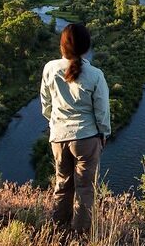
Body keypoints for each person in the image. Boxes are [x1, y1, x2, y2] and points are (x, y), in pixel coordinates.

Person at [40, 23, 111, 233]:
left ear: (62, 46)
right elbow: (102, 111)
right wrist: (103, 134)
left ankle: (58, 231)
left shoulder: (50, 68)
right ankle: (79, 235)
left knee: (62, 186)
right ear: (86, 47)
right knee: (85, 189)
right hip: (87, 138)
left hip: (59, 137)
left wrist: (55, 124)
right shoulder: (95, 74)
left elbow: (46, 105)